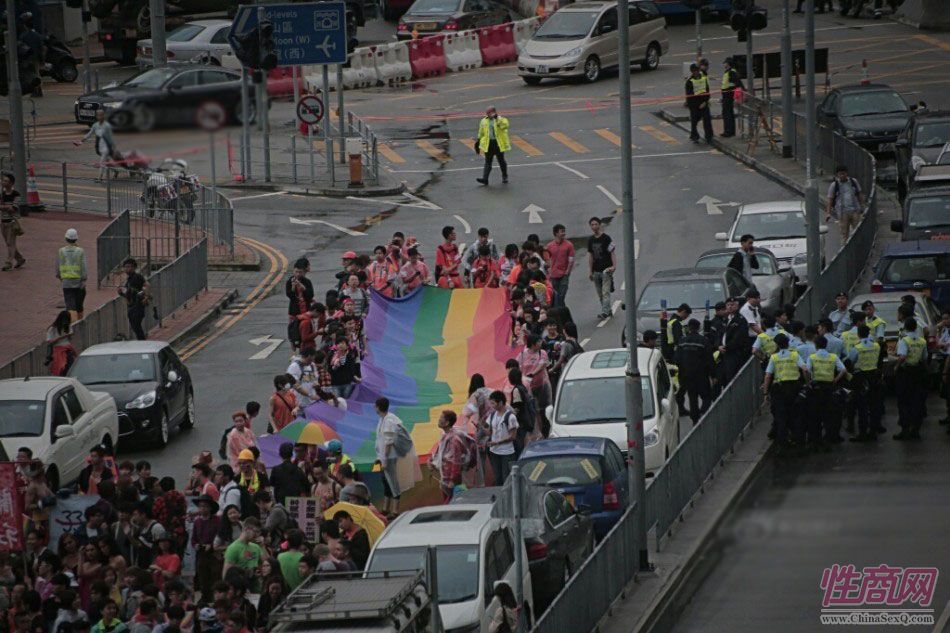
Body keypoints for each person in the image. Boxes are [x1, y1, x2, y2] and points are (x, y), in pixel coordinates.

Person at [374, 397, 420, 516]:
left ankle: (394, 510)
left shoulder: (389, 420)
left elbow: (388, 442)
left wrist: (384, 460)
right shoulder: (383, 419)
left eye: (375, 405)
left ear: (378, 407)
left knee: (392, 482)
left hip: (388, 457)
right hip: (383, 456)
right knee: (385, 481)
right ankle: (386, 508)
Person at [762, 333, 808, 448]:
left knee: (781, 417)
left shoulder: (774, 357)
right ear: (788, 343)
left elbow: (768, 375)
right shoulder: (794, 354)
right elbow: (805, 369)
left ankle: (782, 445)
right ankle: (799, 444)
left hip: (780, 390)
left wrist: (766, 392)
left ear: (777, 344)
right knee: (796, 416)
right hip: (794, 388)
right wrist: (807, 383)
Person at [806, 335, 848, 449]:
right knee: (828, 414)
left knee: (815, 415)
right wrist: (835, 379)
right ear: (826, 345)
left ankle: (816, 441)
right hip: (829, 387)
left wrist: (809, 382)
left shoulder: (812, 357)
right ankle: (828, 440)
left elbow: (807, 370)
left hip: (816, 388)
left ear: (816, 345)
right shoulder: (833, 357)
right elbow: (843, 370)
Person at [848, 324, 884, 441]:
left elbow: (851, 361)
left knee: (861, 407)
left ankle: (862, 433)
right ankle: (873, 431)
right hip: (873, 376)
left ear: (858, 334)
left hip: (860, 377)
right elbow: (879, 359)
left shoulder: (857, 348)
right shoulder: (876, 346)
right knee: (874, 405)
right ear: (868, 333)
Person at [675, 319, 715, 425]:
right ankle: (704, 414)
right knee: (706, 397)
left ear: (689, 327)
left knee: (692, 398)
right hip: (701, 375)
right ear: (698, 328)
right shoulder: (704, 341)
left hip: (687, 376)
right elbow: (709, 359)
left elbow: (677, 359)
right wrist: (713, 375)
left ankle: (695, 419)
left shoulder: (682, 341)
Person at [893, 318, 927, 440]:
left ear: (906, 327)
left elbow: (902, 356)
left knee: (903, 402)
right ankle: (916, 429)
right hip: (917, 372)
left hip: (906, 373)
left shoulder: (904, 340)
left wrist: (896, 367)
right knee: (917, 401)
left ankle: (905, 429)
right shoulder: (922, 341)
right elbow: (924, 357)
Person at [430, 410, 476, 502]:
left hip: (452, 479)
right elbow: (439, 452)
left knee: (453, 502)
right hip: (445, 476)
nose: (438, 420)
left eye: (441, 418)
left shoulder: (453, 440)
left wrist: (452, 480)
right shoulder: (445, 435)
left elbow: (456, 462)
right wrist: (431, 461)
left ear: (447, 423)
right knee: (450, 501)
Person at [587, 217, 616, 320]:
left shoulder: (606, 238)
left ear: (599, 225)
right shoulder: (590, 240)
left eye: (596, 224)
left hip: (606, 269)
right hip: (596, 270)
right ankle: (608, 310)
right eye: (592, 225)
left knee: (605, 292)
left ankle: (605, 312)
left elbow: (612, 252)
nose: (594, 226)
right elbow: (590, 256)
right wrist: (590, 271)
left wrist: (614, 266)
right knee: (600, 294)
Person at [486, 391, 518, 485]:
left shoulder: (510, 417)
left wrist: (497, 442)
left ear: (500, 402)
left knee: (506, 478)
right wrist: (482, 429)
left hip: (506, 452)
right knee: (498, 477)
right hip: (494, 451)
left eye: (493, 403)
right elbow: (490, 432)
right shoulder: (492, 415)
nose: (491, 405)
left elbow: (512, 436)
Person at [825, 166, 864, 242]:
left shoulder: (853, 181)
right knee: (844, 234)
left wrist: (862, 206)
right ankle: (845, 248)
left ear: (847, 173)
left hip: (855, 211)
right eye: (840, 174)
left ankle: (859, 247)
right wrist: (828, 213)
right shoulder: (834, 185)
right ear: (837, 175)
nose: (842, 176)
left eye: (844, 173)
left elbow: (859, 194)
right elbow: (830, 199)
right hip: (843, 213)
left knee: (858, 232)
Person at [75, 110, 116, 182]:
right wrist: (81, 141)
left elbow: (110, 138)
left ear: (104, 116)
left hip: (106, 147)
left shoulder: (107, 126)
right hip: (99, 146)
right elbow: (89, 134)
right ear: (96, 116)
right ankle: (116, 170)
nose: (100, 117)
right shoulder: (95, 125)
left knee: (102, 162)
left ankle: (99, 178)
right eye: (98, 115)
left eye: (101, 115)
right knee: (107, 162)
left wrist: (113, 148)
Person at [56, 228, 88, 319]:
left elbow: (58, 266)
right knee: (79, 305)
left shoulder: (61, 251)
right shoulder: (80, 251)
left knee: (70, 306)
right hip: (78, 282)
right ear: (76, 239)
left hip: (66, 282)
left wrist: (60, 277)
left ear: (66, 239)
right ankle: (80, 321)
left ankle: (73, 324)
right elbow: (83, 266)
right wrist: (84, 279)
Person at [475, 106, 510, 185]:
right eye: (487, 113)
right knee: (488, 162)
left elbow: (505, 125)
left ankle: (504, 176)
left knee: (501, 160)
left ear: (494, 112)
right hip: (489, 144)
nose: (488, 114)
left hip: (498, 144)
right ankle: (485, 179)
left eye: (490, 113)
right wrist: (478, 141)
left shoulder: (500, 119)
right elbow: (481, 132)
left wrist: (497, 118)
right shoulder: (483, 121)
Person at [286, 258, 315, 349]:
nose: (298, 274)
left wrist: (303, 288)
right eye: (296, 271)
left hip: (305, 311)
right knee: (294, 332)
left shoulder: (307, 282)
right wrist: (293, 288)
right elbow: (290, 296)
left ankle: (304, 348)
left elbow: (310, 295)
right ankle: (294, 347)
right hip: (295, 311)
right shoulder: (289, 281)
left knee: (306, 333)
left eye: (300, 272)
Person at [117, 258, 149, 340]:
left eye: (129, 267)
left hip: (138, 306)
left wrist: (146, 297)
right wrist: (121, 293)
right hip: (131, 306)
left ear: (134, 267)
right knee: (135, 327)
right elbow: (129, 294)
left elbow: (146, 285)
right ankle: (141, 342)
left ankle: (142, 343)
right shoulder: (129, 280)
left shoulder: (137, 277)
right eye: (125, 267)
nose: (127, 269)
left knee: (136, 326)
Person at [545, 224, 575, 308]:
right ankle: (562, 315)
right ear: (556, 233)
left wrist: (567, 272)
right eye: (562, 231)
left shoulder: (569, 245)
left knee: (561, 297)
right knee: (556, 297)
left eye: (564, 231)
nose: (564, 233)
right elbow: (546, 260)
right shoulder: (549, 246)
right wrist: (549, 271)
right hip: (553, 276)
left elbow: (571, 260)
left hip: (563, 275)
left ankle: (561, 314)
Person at [1, 171, 25, 271]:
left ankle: (8, 263)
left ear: (11, 183)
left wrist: (3, 207)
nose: (3, 182)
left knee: (10, 243)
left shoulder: (16, 194)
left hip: (12, 222)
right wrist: (7, 206)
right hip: (3, 221)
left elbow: (13, 208)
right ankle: (20, 259)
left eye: (6, 181)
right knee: (8, 243)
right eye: (3, 180)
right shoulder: (1, 194)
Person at [685, 63, 713, 144]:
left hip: (704, 103)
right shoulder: (689, 81)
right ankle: (694, 136)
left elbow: (707, 92)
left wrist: (705, 102)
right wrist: (694, 106)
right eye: (695, 71)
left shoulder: (704, 79)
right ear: (692, 72)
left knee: (707, 120)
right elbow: (689, 96)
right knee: (694, 121)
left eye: (697, 70)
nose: (697, 72)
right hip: (694, 105)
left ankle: (709, 137)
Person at [46, 311, 77, 377]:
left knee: (70, 366)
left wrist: (69, 335)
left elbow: (70, 339)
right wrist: (61, 337)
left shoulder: (68, 326)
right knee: (60, 367)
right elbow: (50, 343)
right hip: (58, 350)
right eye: (64, 320)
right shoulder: (52, 329)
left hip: (68, 349)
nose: (65, 322)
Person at [720, 57, 743, 138]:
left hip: (728, 95)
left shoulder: (731, 72)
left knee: (727, 114)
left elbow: (737, 83)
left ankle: (728, 132)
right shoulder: (728, 72)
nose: (724, 64)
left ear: (729, 63)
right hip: (726, 95)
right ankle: (730, 131)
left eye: (725, 63)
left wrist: (731, 92)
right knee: (728, 113)